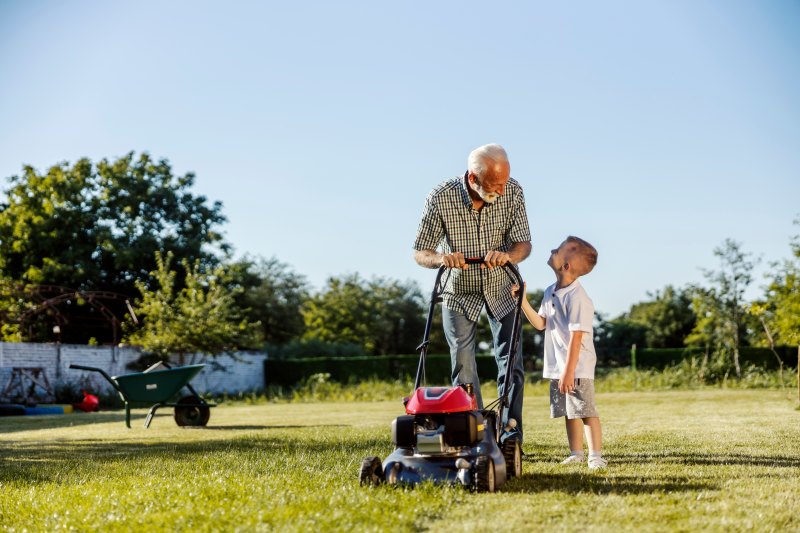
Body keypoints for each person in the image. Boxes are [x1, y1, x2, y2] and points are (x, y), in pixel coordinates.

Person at [413, 143, 531, 443]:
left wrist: (508, 256)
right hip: (459, 289)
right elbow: (420, 252)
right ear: (472, 179)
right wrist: (442, 258)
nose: (501, 192)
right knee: (463, 363)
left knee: (511, 361)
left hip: (501, 285)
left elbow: (523, 244)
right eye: (494, 185)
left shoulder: (513, 192)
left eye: (503, 183)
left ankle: (510, 431)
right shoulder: (441, 197)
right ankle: (475, 431)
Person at [515, 236, 607, 469]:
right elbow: (540, 323)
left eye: (557, 250)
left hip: (577, 366)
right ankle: (576, 452)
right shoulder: (550, 292)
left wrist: (569, 372)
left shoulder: (578, 298)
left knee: (584, 410)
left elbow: (577, 338)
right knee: (569, 411)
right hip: (560, 366)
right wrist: (522, 301)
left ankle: (595, 456)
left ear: (565, 266)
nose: (551, 249)